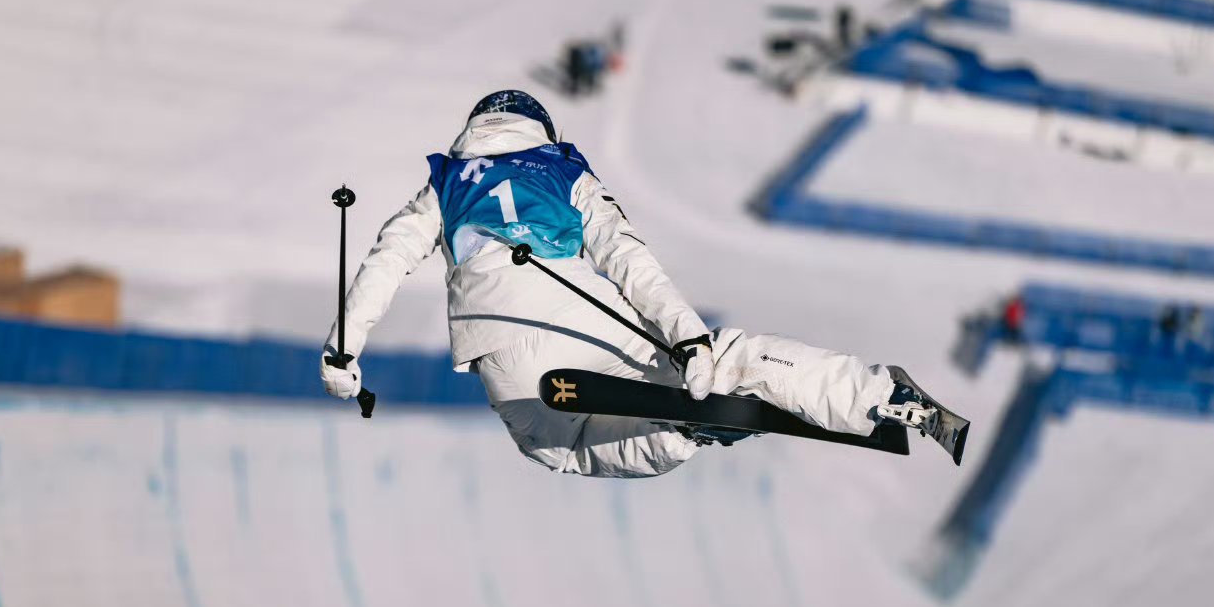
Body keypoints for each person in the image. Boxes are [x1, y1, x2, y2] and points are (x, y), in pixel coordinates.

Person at [321, 90, 942, 478]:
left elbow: (386, 259)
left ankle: (680, 430)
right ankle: (877, 396)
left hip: (499, 352)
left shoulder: (446, 180)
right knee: (729, 360)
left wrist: (343, 351)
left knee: (568, 451)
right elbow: (626, 257)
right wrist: (689, 339)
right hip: (580, 317)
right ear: (541, 129)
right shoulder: (563, 172)